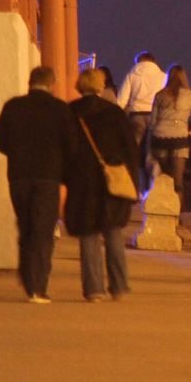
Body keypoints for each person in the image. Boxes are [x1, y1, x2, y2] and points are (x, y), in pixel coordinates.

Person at [0, 66, 71, 303]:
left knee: (26, 225)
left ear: (30, 82)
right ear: (52, 84)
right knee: (43, 230)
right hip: (48, 175)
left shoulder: (13, 106)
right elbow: (71, 144)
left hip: (18, 175)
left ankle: (28, 275)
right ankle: (37, 285)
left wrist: (17, 153)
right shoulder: (59, 110)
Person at [64, 67, 138, 303]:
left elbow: (64, 150)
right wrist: (133, 182)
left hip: (82, 182)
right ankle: (119, 285)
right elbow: (130, 150)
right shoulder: (115, 113)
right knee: (113, 232)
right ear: (100, 86)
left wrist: (66, 178)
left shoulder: (70, 113)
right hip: (111, 180)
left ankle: (94, 289)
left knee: (88, 235)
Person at [148, 65, 191, 208]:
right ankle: (176, 215)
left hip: (160, 141)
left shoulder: (160, 95)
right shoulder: (190, 95)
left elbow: (153, 121)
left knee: (164, 179)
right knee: (178, 183)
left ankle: (162, 211)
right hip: (179, 142)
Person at [115, 51, 165, 191]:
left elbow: (121, 100)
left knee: (133, 153)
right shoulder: (162, 76)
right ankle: (150, 188)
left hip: (136, 116)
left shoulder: (132, 75)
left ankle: (133, 188)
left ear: (138, 61)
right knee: (151, 152)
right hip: (155, 116)